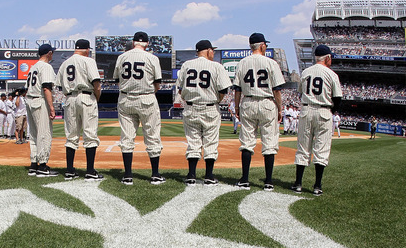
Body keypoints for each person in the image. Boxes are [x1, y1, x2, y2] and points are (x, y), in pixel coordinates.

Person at [232, 32, 285, 191]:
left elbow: (237, 90)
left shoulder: (242, 62)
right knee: (269, 142)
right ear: (262, 45)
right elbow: (277, 90)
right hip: (267, 102)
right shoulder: (271, 62)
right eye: (265, 45)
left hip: (247, 101)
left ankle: (245, 180)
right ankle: (268, 181)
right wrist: (280, 109)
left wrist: (237, 108)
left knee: (247, 142)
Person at [176, 39, 231, 186]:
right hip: (210, 107)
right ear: (207, 50)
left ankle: (191, 175)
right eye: (212, 50)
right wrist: (216, 101)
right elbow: (223, 91)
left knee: (193, 141)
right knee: (210, 142)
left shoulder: (186, 65)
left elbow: (180, 90)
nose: (213, 52)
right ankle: (208, 176)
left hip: (191, 107)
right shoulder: (216, 66)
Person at [291, 44, 343, 196]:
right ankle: (317, 185)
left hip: (306, 109)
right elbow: (338, 98)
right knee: (321, 149)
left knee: (303, 148)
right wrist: (331, 110)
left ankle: (298, 183)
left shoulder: (306, 71)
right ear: (327, 58)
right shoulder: (331, 74)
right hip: (324, 110)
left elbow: (300, 91)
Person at [114, 31, 164, 185]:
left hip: (125, 98)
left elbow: (117, 80)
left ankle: (128, 175)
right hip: (147, 97)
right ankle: (155, 174)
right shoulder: (152, 58)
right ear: (147, 43)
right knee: (152, 135)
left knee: (127, 137)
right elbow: (157, 83)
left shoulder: (122, 57)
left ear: (133, 42)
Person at [55, 38, 103, 181]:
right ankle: (90, 171)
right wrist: (96, 98)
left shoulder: (64, 63)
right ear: (87, 49)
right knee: (90, 134)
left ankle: (69, 170)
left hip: (69, 98)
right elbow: (97, 84)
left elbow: (59, 86)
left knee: (71, 135)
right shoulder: (88, 61)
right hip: (87, 96)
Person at [26, 44, 58, 177]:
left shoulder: (33, 67)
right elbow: (46, 87)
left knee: (33, 134)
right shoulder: (46, 66)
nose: (53, 55)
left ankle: (34, 164)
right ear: (49, 53)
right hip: (39, 100)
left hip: (29, 100)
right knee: (44, 133)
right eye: (52, 53)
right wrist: (51, 107)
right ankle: (43, 166)